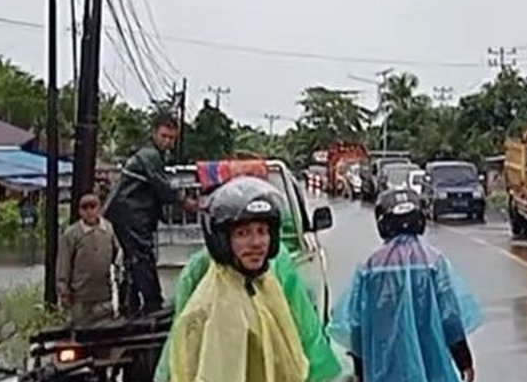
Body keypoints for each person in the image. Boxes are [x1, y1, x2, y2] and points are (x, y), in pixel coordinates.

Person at [154, 177, 341, 382]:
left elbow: (307, 338)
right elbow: (182, 362)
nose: (256, 243)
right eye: (243, 233)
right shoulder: (206, 304)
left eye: (262, 232)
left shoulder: (272, 282)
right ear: (223, 240)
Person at [329, 189, 483, 382]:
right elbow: (450, 318)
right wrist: (464, 362)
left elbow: (356, 325)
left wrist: (360, 371)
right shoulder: (433, 262)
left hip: (384, 371)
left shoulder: (369, 267)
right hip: (433, 370)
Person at [103, 112, 196, 316]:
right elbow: (162, 186)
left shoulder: (153, 156)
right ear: (154, 133)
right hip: (129, 213)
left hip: (130, 214)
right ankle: (152, 303)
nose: (168, 142)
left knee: (134, 260)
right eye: (164, 136)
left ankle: (133, 305)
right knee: (141, 257)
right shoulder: (149, 156)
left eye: (171, 138)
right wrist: (185, 201)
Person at [56, 193, 119, 326]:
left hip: (104, 296)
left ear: (99, 209)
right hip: (80, 298)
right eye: (85, 208)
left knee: (104, 333)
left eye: (93, 207)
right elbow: (63, 263)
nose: (89, 212)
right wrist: (63, 291)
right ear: (79, 211)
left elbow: (117, 255)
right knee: (79, 333)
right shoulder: (71, 234)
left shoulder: (108, 229)